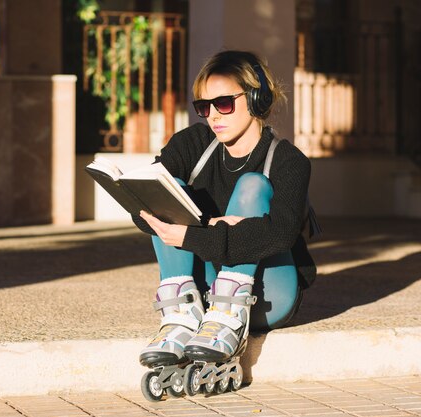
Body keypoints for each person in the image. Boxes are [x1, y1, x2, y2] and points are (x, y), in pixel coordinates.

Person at [135, 50, 316, 368]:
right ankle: (180, 317)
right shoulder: (191, 143)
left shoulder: (289, 161)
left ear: (256, 99)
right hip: (204, 289)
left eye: (224, 103)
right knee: (167, 185)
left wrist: (193, 233)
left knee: (252, 186)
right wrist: (212, 225)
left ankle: (229, 315)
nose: (213, 116)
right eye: (204, 107)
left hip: (267, 290)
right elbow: (146, 200)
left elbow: (279, 234)